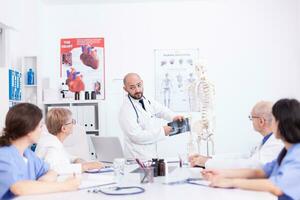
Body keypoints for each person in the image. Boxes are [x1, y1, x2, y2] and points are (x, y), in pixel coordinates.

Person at [202, 98, 300, 200]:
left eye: (274, 120)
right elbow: (260, 172)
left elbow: (277, 186)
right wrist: (222, 173)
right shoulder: (287, 152)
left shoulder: (297, 155)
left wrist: (231, 182)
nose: (271, 124)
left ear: (282, 124)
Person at [0, 103, 80, 199]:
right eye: (40, 126)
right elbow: (18, 188)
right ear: (29, 130)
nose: (42, 131)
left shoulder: (28, 155)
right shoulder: (4, 155)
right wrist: (65, 186)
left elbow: (51, 171)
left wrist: (41, 183)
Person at [189, 101, 283, 169]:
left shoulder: (276, 144)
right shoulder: (266, 141)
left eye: (251, 117)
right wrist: (209, 159)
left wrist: (206, 162)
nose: (251, 121)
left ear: (261, 121)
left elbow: (248, 166)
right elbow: (243, 157)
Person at [119, 73, 184, 159]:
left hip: (151, 156)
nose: (137, 90)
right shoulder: (126, 110)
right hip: (136, 159)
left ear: (142, 83)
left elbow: (161, 110)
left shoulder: (146, 100)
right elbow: (136, 136)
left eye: (139, 85)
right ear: (125, 89)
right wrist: (163, 131)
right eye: (132, 87)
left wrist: (173, 117)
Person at [36, 108, 103, 175]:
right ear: (64, 128)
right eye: (72, 122)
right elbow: (53, 169)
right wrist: (85, 166)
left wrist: (77, 159)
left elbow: (65, 156)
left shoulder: (51, 141)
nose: (73, 125)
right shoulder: (51, 146)